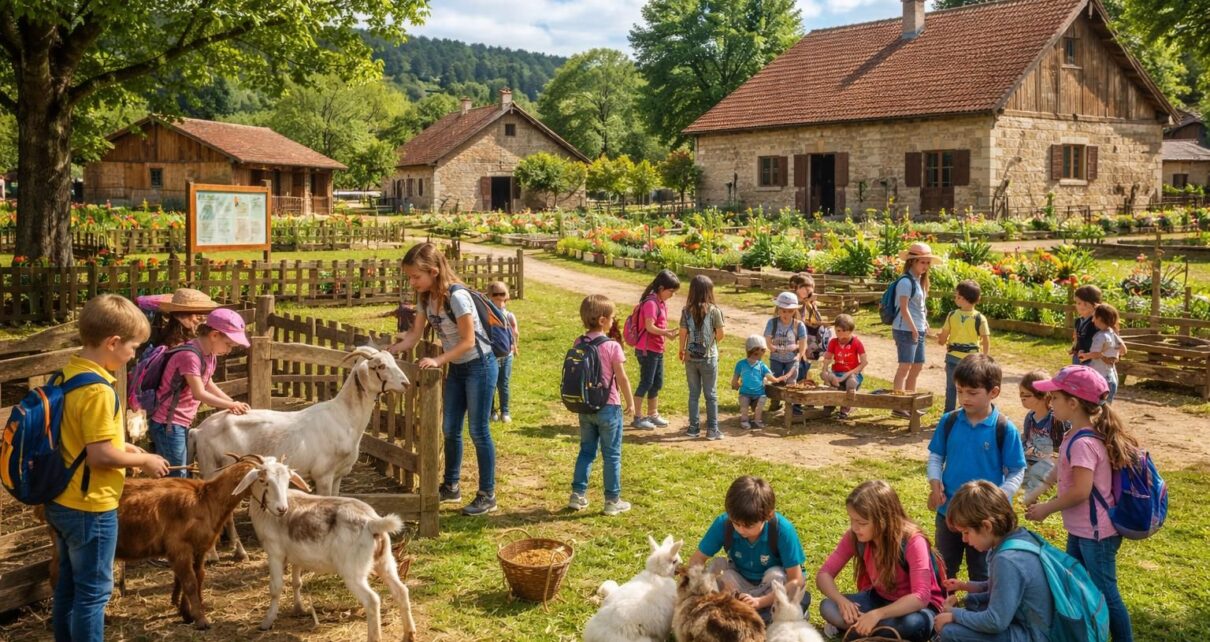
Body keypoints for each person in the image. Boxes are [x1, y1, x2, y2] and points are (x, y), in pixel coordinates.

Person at [46, 294, 170, 642]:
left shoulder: (66, 375)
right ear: (113, 343)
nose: (134, 354)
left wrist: (124, 446)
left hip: (62, 499)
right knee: (94, 594)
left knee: (69, 588)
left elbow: (79, 437)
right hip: (91, 505)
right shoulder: (99, 390)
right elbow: (100, 456)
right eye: (133, 347)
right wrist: (143, 459)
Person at [1025, 365, 1137, 642]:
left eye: (1055, 398)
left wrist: (1046, 508)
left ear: (1073, 403)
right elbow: (1062, 468)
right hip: (1082, 529)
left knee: (1105, 592)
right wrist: (1041, 488)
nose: (1050, 404)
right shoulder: (1072, 434)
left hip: (1096, 534)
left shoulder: (1083, 443)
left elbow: (1081, 492)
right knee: (1075, 585)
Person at [388, 242, 500, 516]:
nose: (412, 282)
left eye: (416, 276)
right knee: (450, 429)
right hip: (458, 368)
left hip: (480, 366)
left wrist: (437, 360)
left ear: (434, 271)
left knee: (478, 430)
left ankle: (487, 494)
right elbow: (414, 336)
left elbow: (468, 341)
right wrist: (389, 351)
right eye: (410, 277)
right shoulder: (425, 298)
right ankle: (451, 486)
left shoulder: (458, 297)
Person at [927, 354, 1026, 583]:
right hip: (948, 513)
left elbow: (1017, 470)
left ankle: (979, 613)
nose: (964, 398)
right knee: (942, 568)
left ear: (994, 392)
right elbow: (936, 456)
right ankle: (939, 610)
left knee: (983, 573)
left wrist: (1000, 496)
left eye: (972, 393)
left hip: (985, 521)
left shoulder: (1004, 428)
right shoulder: (949, 421)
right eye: (960, 391)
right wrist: (934, 483)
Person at [816, 480, 945, 642]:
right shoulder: (855, 536)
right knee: (828, 606)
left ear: (883, 520)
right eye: (852, 520)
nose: (854, 528)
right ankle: (879, 630)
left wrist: (877, 615)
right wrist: (841, 601)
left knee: (913, 624)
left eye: (861, 523)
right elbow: (824, 574)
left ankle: (864, 628)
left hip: (916, 609)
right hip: (878, 600)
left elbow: (921, 597)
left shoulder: (913, 540)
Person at [934, 481, 1054, 642]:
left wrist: (954, 615)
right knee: (973, 604)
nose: (964, 539)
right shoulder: (1017, 538)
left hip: (1034, 635)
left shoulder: (1007, 560)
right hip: (1027, 623)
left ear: (986, 526)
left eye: (966, 532)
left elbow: (995, 621)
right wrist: (963, 587)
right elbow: (996, 587)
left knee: (950, 631)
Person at [688, 476, 809, 624]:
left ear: (768, 515)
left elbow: (796, 579)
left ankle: (763, 613)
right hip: (740, 581)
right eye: (736, 523)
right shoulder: (723, 524)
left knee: (775, 575)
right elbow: (697, 559)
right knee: (717, 567)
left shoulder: (782, 530)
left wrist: (760, 601)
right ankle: (747, 614)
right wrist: (694, 588)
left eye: (748, 526)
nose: (740, 530)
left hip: (771, 589)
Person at [148, 308, 251, 477]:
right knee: (177, 476)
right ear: (215, 335)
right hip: (168, 423)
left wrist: (232, 402)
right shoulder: (190, 356)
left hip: (181, 422)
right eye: (228, 344)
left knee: (183, 472)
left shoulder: (210, 355)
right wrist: (231, 404)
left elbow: (207, 383)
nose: (229, 350)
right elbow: (199, 393)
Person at [568, 295, 636, 516]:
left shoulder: (579, 342)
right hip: (609, 406)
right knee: (612, 455)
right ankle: (612, 501)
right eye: (612, 318)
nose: (613, 321)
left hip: (585, 406)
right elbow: (622, 378)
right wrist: (630, 402)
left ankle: (577, 496)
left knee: (586, 451)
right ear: (602, 320)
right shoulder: (612, 346)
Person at [893, 243, 941, 417]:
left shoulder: (919, 281)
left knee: (917, 366)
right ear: (912, 261)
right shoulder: (905, 281)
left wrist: (924, 323)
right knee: (905, 367)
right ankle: (898, 404)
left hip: (917, 328)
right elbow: (904, 308)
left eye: (928, 262)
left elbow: (919, 307)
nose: (926, 266)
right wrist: (914, 328)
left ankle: (910, 402)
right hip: (905, 329)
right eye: (923, 262)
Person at [631, 270, 680, 431]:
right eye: (671, 291)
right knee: (646, 382)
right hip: (647, 350)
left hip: (657, 348)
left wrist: (668, 335)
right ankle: (637, 417)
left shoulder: (660, 302)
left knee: (656, 383)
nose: (672, 295)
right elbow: (649, 327)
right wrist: (666, 332)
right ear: (661, 287)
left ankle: (653, 414)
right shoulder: (651, 303)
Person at [678, 275, 725, 439]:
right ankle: (712, 429)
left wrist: (682, 350)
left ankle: (693, 428)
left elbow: (683, 332)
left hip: (690, 357)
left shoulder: (686, 311)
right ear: (709, 292)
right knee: (711, 394)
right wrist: (710, 345)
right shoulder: (714, 311)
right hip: (709, 357)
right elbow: (720, 334)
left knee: (693, 394)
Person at [936, 280, 990, 413]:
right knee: (968, 387)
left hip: (952, 357)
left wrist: (941, 340)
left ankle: (948, 413)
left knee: (951, 387)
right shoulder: (980, 318)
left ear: (964, 299)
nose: (955, 298)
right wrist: (984, 356)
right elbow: (986, 339)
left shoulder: (952, 315)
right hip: (971, 360)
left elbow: (943, 337)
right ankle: (965, 411)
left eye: (957, 296)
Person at [1018, 371, 1065, 504]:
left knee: (1038, 473)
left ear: (1043, 396)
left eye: (1026, 395)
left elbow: (1059, 453)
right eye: (1020, 395)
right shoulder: (1030, 417)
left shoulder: (1056, 420)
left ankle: (1030, 499)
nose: (1022, 398)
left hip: (1049, 463)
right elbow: (1026, 439)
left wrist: (1041, 455)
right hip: (1030, 459)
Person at [731, 335, 787, 431]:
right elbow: (735, 377)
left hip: (759, 393)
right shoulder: (741, 364)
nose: (763, 353)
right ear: (754, 350)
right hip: (745, 393)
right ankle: (744, 420)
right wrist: (734, 383)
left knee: (759, 407)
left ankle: (757, 420)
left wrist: (777, 379)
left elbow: (770, 377)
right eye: (762, 350)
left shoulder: (761, 365)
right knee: (744, 408)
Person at [765, 291, 807, 415]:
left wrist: (800, 354)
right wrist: (770, 346)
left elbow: (803, 341)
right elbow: (768, 337)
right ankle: (775, 402)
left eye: (790, 311)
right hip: (776, 357)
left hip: (791, 358)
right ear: (778, 309)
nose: (786, 314)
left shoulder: (798, 325)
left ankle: (792, 406)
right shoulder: (772, 323)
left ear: (794, 311)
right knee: (776, 380)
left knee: (791, 382)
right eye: (783, 311)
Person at [819, 314, 867, 420]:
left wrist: (847, 374)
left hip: (851, 374)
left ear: (851, 331)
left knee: (851, 383)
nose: (841, 336)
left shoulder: (856, 343)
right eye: (838, 332)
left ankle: (846, 407)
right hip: (837, 372)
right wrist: (825, 370)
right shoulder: (833, 342)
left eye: (844, 335)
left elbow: (864, 362)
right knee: (826, 377)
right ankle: (829, 405)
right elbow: (827, 359)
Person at [142, 288, 220, 353]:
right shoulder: (176, 345)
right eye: (199, 316)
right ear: (183, 317)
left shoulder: (173, 335)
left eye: (205, 315)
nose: (204, 320)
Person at [1079, 303, 1124, 403]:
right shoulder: (1112, 333)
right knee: (1106, 409)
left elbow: (1095, 353)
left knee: (1097, 407)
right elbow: (1123, 350)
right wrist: (1111, 354)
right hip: (1111, 378)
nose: (1092, 320)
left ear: (1100, 318)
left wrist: (1085, 356)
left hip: (1101, 380)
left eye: (1094, 317)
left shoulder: (1100, 336)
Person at [487, 281, 519, 423]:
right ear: (490, 296)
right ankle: (491, 410)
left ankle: (505, 411)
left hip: (507, 355)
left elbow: (515, 332)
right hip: (492, 355)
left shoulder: (509, 315)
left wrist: (515, 346)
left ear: (507, 296)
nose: (499, 297)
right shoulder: (487, 315)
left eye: (502, 294)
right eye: (496, 294)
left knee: (503, 384)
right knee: (491, 384)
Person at [791, 273, 827, 381]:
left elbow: (816, 318)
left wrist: (811, 303)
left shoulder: (808, 301)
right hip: (791, 336)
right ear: (796, 288)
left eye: (811, 287)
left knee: (804, 361)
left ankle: (802, 379)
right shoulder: (793, 300)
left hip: (803, 336)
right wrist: (806, 302)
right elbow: (795, 319)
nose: (808, 290)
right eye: (804, 287)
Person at [1070, 285, 1103, 365]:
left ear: (1095, 304)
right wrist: (1074, 349)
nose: (1082, 306)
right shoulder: (1078, 321)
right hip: (1078, 357)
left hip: (1093, 361)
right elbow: (1076, 338)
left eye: (1085, 303)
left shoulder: (1098, 322)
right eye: (1078, 303)